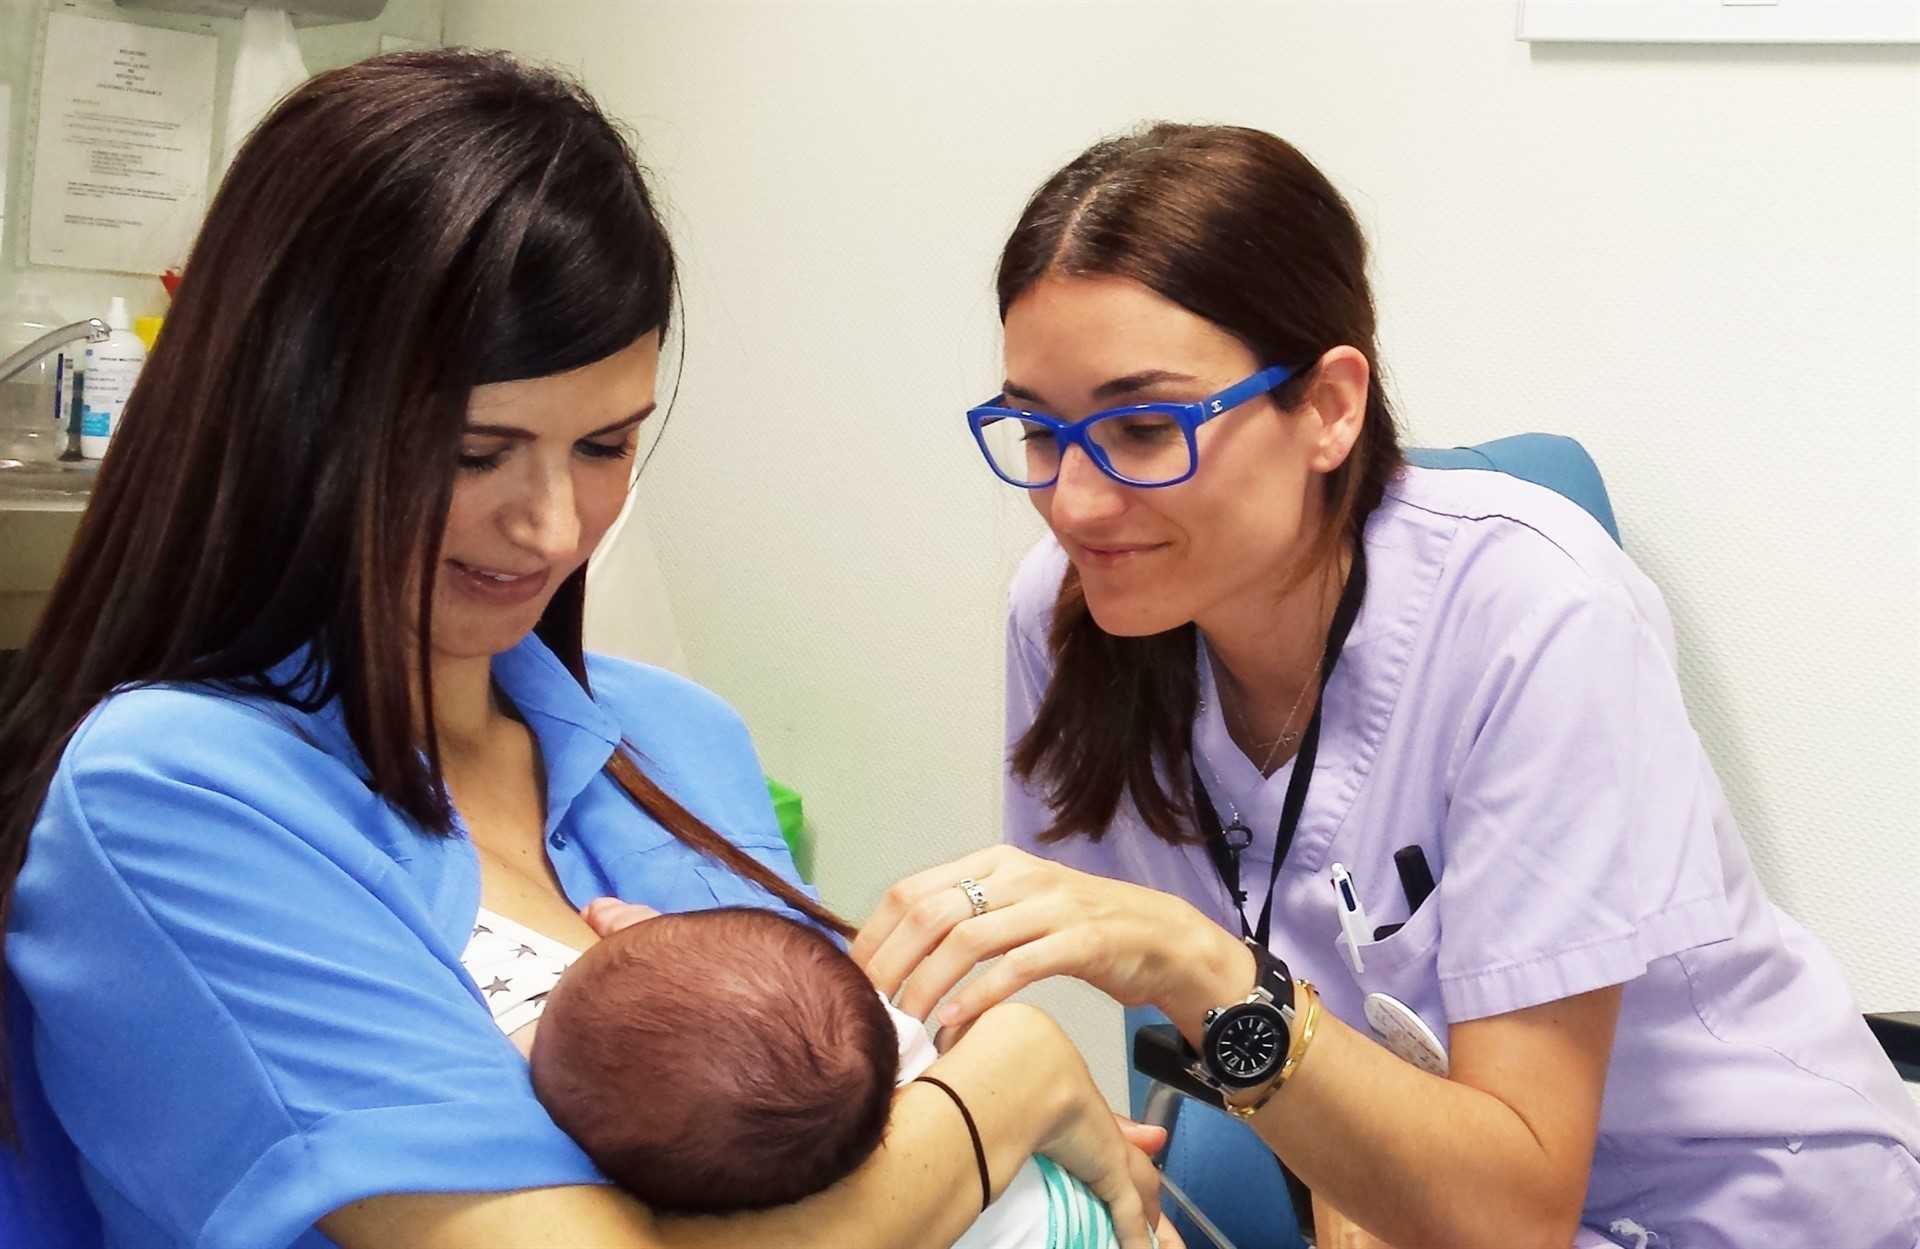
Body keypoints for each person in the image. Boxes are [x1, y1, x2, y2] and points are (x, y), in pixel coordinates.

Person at [0, 52, 1166, 1249]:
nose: (555, 528)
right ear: (295, 412)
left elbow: (851, 1140)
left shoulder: (676, 741)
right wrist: (1005, 1089)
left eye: (605, 446)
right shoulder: (179, 791)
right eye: (476, 453)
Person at [855, 122, 1920, 1249]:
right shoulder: (1072, 614)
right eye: (1038, 430)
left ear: (1328, 406)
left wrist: (1194, 960)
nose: (1073, 502)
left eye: (1145, 426)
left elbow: (1515, 1214)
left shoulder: (1533, 613)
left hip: (1751, 1211)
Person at [519, 903, 1120, 1247]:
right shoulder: (859, 1048)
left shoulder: (723, 1186)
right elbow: (745, 998)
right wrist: (651, 935)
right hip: (1071, 1220)